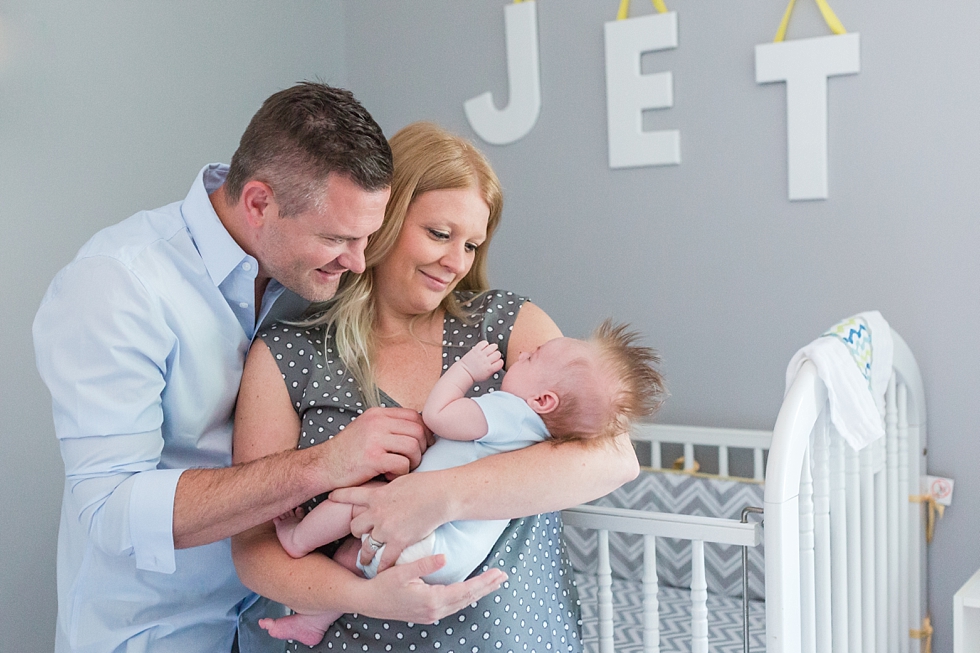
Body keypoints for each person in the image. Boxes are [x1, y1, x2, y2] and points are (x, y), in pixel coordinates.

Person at [32, 84, 505, 653]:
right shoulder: (117, 286)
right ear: (258, 203)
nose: (358, 263)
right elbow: (110, 511)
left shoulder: (312, 277)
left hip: (269, 630)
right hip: (151, 633)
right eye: (338, 238)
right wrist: (323, 465)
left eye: (367, 239)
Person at [231, 121, 643, 653]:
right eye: (439, 234)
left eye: (471, 244)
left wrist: (435, 497)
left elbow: (613, 457)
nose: (456, 263)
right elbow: (253, 549)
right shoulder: (289, 356)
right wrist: (368, 597)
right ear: (383, 219)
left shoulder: (506, 326)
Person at [259, 327, 665, 646]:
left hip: (431, 537)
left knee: (358, 507)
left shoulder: (507, 412)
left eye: (534, 356)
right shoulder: (542, 440)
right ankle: (316, 619)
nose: (522, 354)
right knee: (356, 554)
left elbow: (439, 416)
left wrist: (467, 371)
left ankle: (297, 540)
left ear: (542, 401)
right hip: (451, 559)